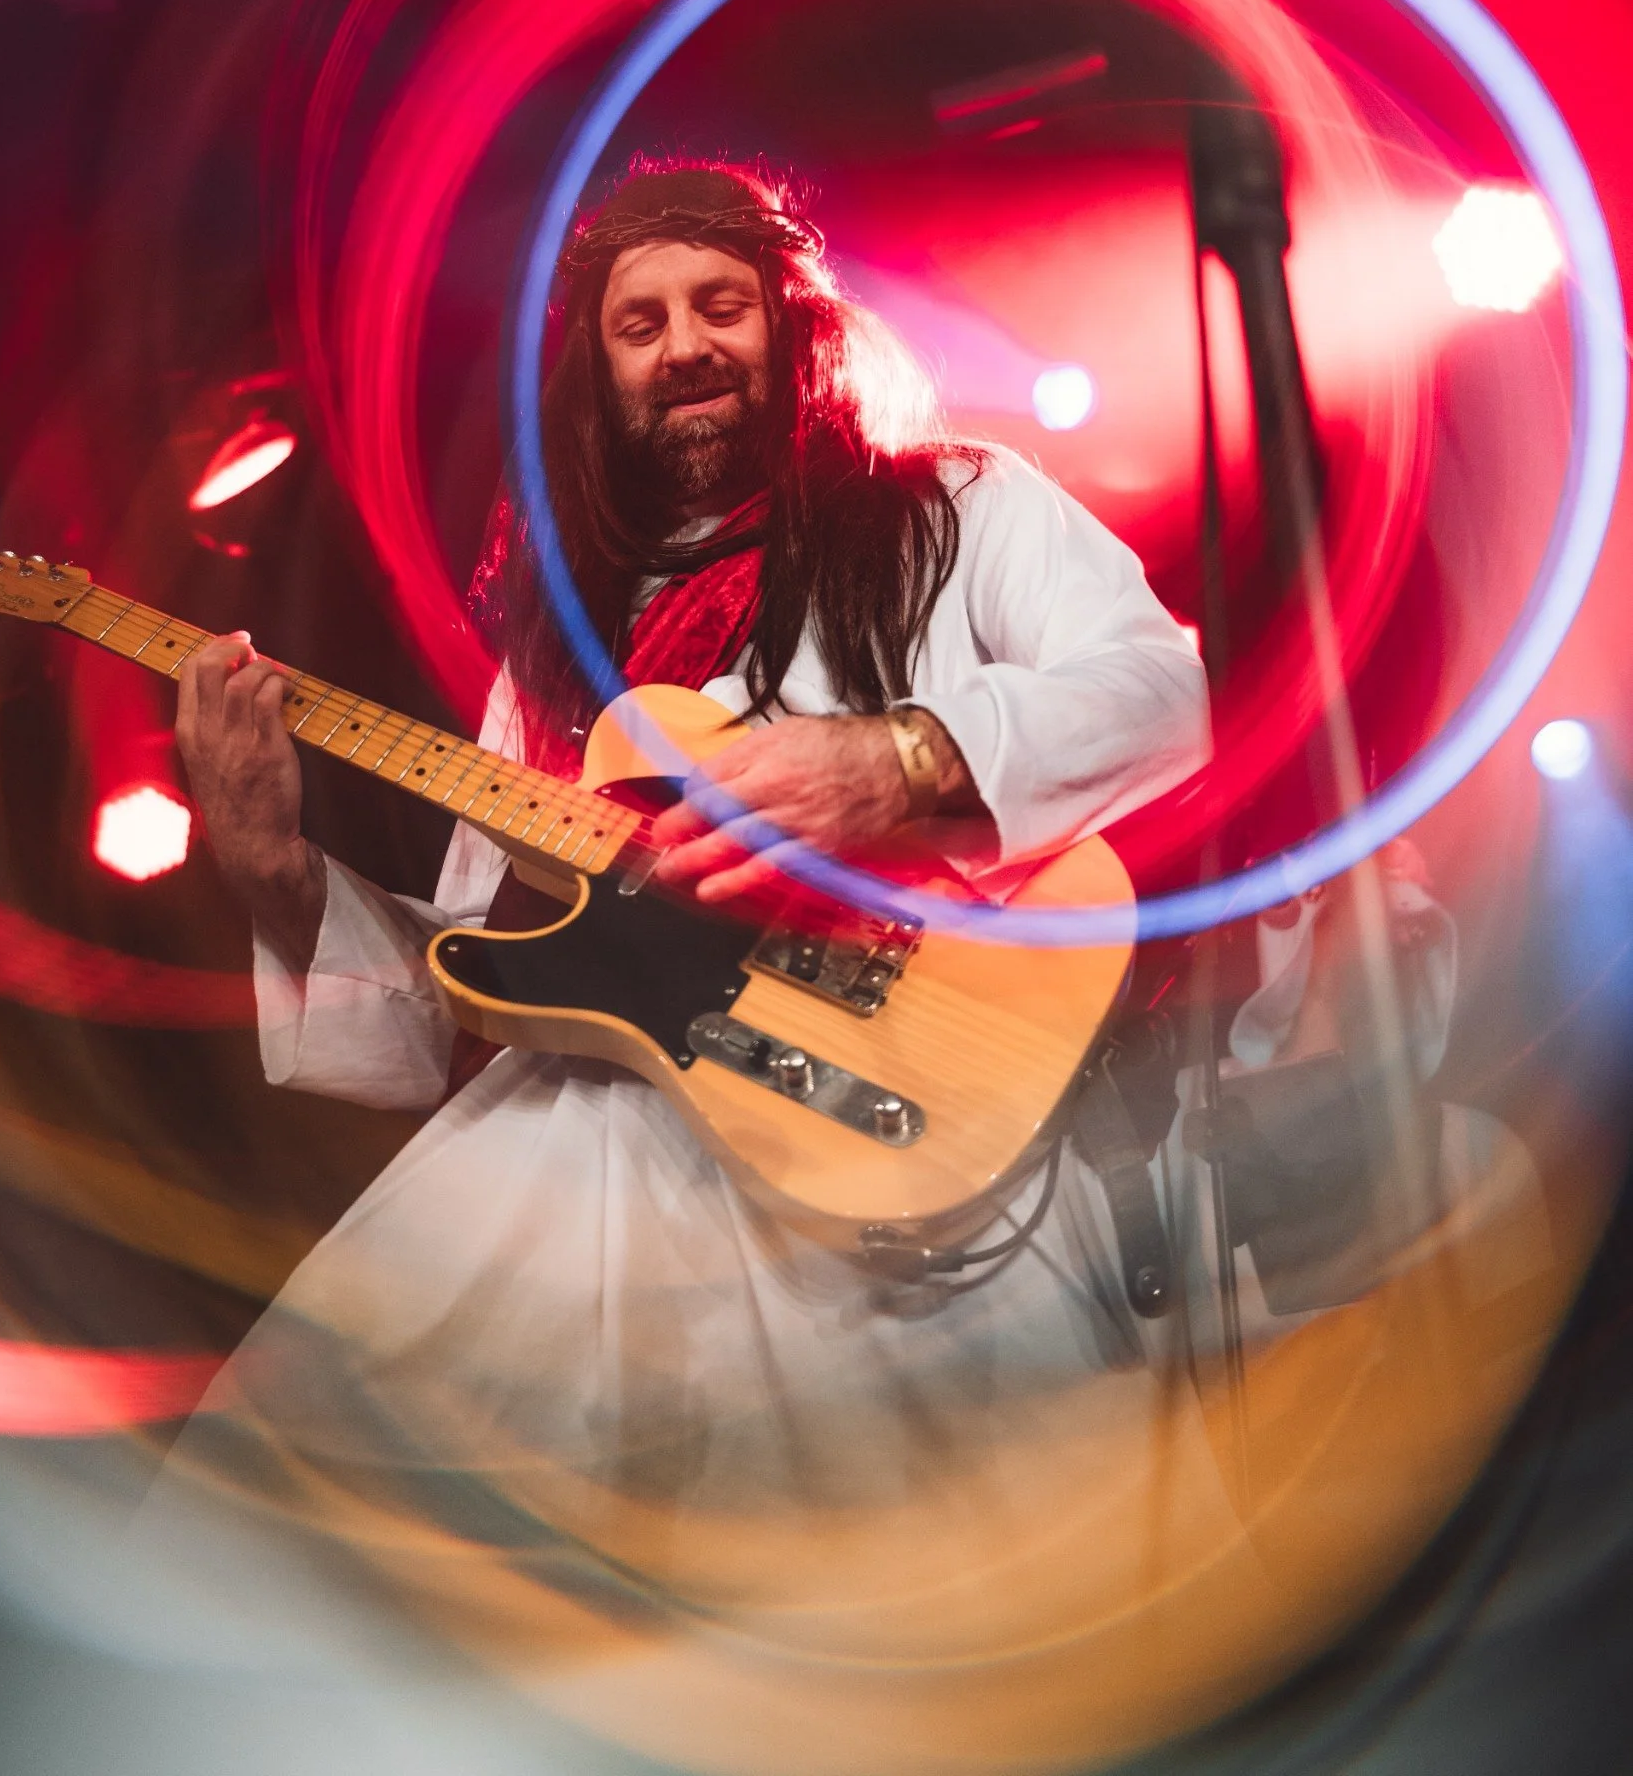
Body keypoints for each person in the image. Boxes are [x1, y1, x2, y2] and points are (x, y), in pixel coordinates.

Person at [170, 160, 1213, 1521]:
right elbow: (480, 973)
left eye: (720, 305)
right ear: (596, 375)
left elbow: (1162, 694)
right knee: (305, 1538)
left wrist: (901, 759)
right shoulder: (556, 646)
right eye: (640, 322)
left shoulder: (961, 504)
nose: (686, 347)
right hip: (579, 1173)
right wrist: (275, 872)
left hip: (900, 1134)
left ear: (791, 329)